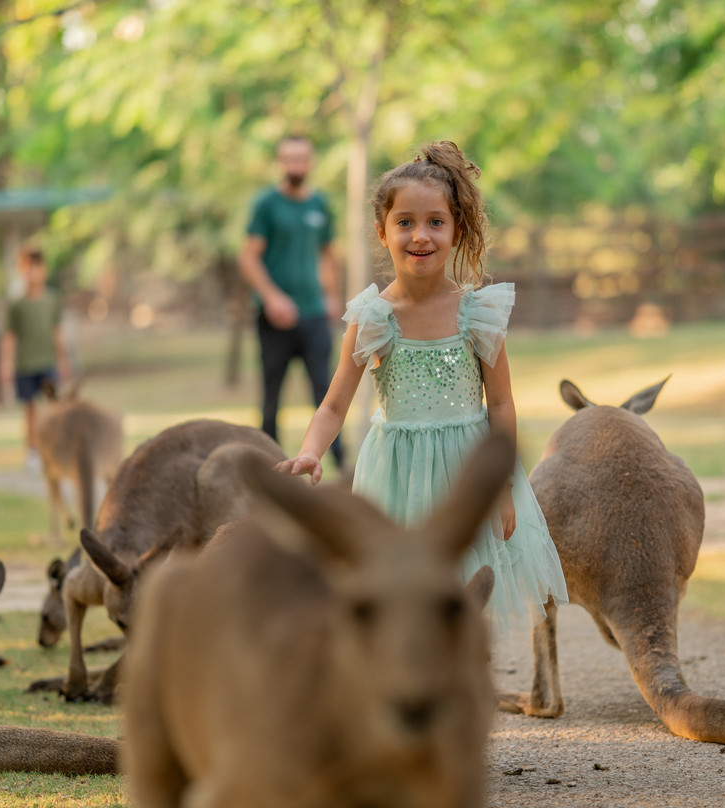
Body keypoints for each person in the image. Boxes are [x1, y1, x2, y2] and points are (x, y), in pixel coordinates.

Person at [275, 141, 568, 633]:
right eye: (405, 222)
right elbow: (333, 404)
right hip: (396, 476)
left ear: (456, 229)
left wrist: (502, 484)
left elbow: (500, 404)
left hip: (464, 471)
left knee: (462, 595)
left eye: (436, 221)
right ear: (382, 231)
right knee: (400, 597)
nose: (420, 236)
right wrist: (310, 450)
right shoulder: (372, 318)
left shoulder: (478, 314)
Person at [239, 134, 345, 470]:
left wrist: (331, 296)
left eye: (302, 158)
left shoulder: (320, 205)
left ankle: (340, 463)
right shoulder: (266, 204)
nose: (296, 165)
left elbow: (328, 254)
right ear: (280, 162)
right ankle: (268, 466)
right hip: (275, 318)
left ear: (310, 162)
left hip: (313, 314)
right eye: (289, 158)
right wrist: (271, 298)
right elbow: (248, 257)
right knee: (272, 396)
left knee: (326, 392)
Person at [0, 248, 69, 468]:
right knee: (30, 409)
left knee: (53, 405)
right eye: (28, 268)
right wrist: (6, 363)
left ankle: (56, 448)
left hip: (47, 364)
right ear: (21, 271)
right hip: (26, 365)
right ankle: (32, 451)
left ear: (44, 270)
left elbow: (57, 331)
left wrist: (63, 359)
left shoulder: (52, 299)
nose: (32, 272)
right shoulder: (17, 304)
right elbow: (10, 336)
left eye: (36, 267)